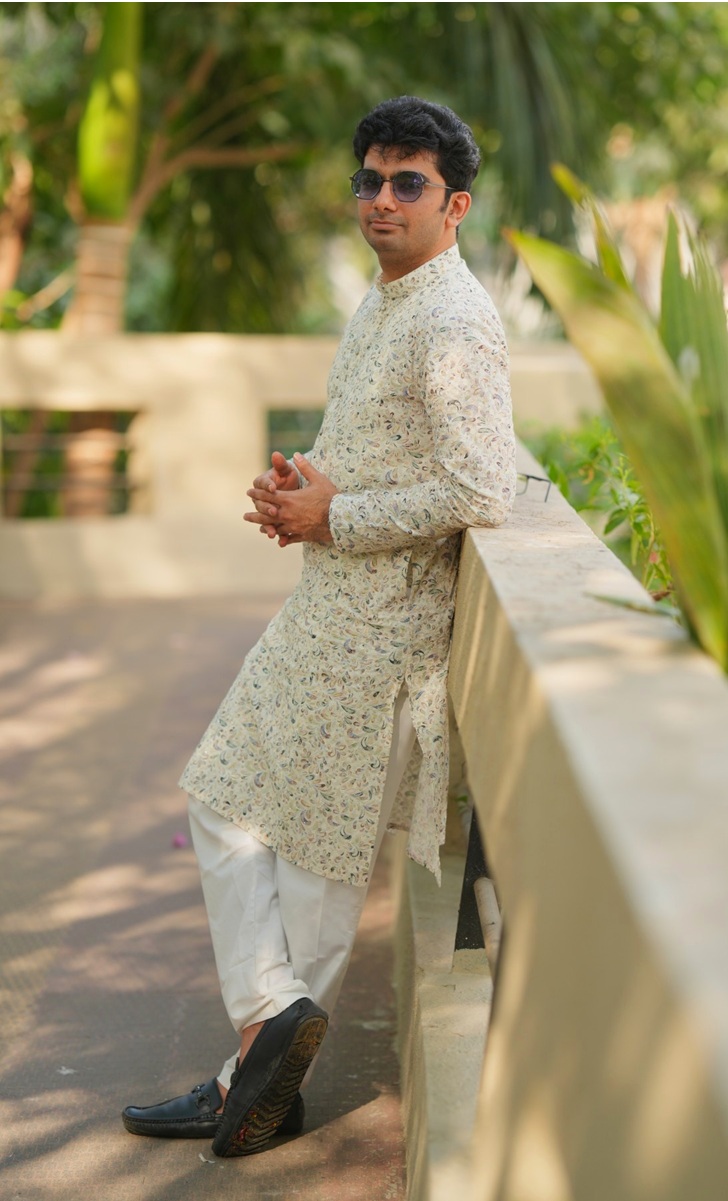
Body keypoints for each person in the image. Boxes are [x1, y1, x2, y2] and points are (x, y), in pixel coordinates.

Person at [121, 95, 516, 1158]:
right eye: (369, 179)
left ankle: (249, 1085)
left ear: (455, 205)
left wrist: (336, 517)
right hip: (324, 612)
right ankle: (264, 1032)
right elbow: (388, 456)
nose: (381, 199)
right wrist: (302, 491)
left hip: (385, 634)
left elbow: (483, 487)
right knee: (223, 796)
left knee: (317, 869)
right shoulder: (381, 301)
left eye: (408, 183)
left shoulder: (454, 320)